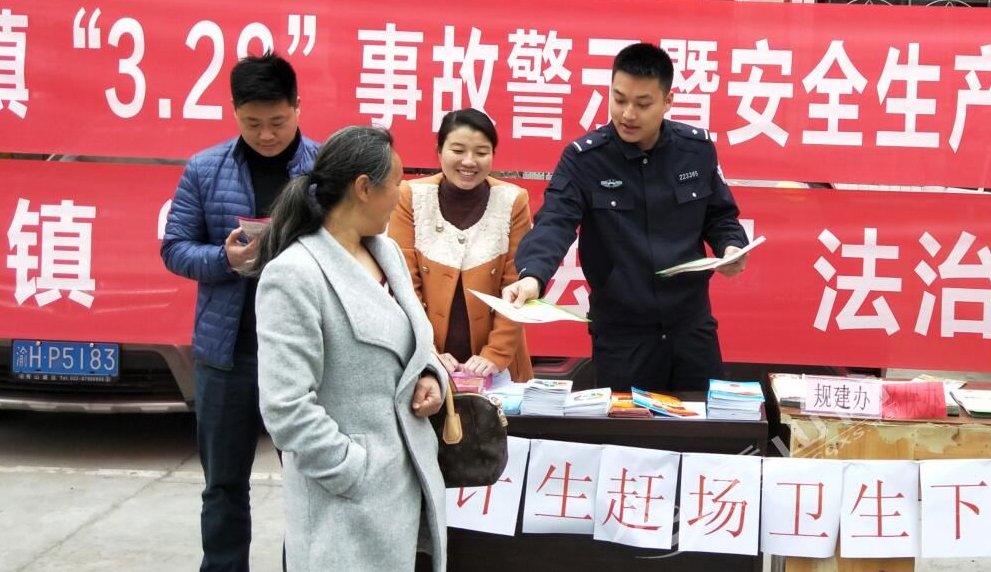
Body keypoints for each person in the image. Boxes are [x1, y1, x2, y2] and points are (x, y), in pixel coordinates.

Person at [251, 125, 448, 572]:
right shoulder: (295, 274)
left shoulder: (387, 252)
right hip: (344, 505)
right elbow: (285, 407)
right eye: (395, 182)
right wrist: (352, 469)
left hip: (404, 486)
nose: (400, 194)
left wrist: (430, 377)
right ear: (363, 188)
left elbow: (416, 344)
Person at [500, 42, 750, 392]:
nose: (628, 114)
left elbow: (720, 216)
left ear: (668, 101)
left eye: (642, 104)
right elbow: (555, 221)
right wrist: (532, 277)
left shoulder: (696, 150)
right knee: (626, 427)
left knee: (707, 422)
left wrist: (731, 247)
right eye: (619, 99)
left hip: (690, 329)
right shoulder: (584, 159)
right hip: (622, 336)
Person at [160, 52, 320, 572]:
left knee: (309, 481)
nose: (266, 134)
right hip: (227, 355)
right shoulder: (205, 169)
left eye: (277, 121)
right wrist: (224, 260)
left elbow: (353, 246)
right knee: (223, 484)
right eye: (252, 123)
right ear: (234, 112)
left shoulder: (324, 169)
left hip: (304, 353)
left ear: (297, 106)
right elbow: (174, 248)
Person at [388, 108, 535, 382]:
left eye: (481, 152)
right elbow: (404, 286)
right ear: (439, 150)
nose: (469, 161)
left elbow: (515, 286)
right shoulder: (410, 197)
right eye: (458, 150)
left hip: (498, 370)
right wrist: (427, 351)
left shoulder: (513, 201)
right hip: (425, 364)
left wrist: (495, 354)